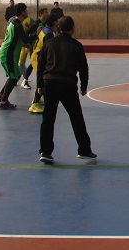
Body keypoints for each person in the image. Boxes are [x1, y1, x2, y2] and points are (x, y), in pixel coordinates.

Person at [37, 15, 96, 163]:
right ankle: (84, 150)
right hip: (67, 84)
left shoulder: (49, 43)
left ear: (59, 27)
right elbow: (83, 68)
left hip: (50, 83)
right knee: (76, 118)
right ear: (72, 28)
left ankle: (45, 151)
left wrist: (40, 85)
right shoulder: (76, 45)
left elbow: (41, 65)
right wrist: (84, 86)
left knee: (48, 118)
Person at [0, 3, 32, 110]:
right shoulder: (18, 25)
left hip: (8, 54)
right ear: (22, 12)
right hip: (8, 54)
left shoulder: (14, 23)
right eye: (26, 10)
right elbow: (25, 39)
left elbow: (21, 38)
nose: (27, 12)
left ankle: (1, 95)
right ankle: (3, 102)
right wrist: (36, 33)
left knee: (15, 75)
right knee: (14, 77)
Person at [27, 14, 58, 114]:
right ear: (55, 23)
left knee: (44, 79)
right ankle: (34, 104)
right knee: (43, 80)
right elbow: (47, 50)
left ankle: (37, 98)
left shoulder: (46, 30)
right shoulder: (49, 34)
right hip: (38, 58)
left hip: (37, 56)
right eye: (57, 21)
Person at [20, 8, 48, 89]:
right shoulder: (35, 24)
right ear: (40, 15)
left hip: (43, 47)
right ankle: (25, 80)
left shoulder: (46, 23)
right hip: (35, 47)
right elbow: (26, 35)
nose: (47, 14)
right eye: (46, 12)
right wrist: (27, 44)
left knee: (42, 63)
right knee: (33, 63)